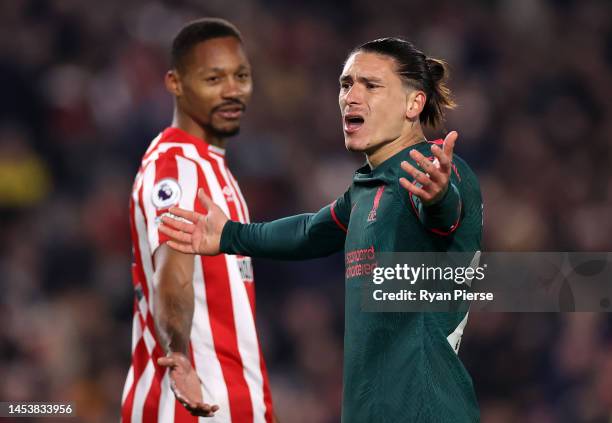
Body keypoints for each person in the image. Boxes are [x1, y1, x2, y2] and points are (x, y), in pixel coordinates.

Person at [160, 37, 483, 422]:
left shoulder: (435, 169)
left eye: (371, 85)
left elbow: (442, 215)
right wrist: (229, 235)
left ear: (413, 104)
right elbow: (309, 232)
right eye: (347, 84)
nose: (352, 96)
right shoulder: (366, 190)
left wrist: (438, 196)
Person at [121, 18, 274, 423]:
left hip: (235, 401)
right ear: (175, 83)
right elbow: (173, 275)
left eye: (241, 76)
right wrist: (179, 357)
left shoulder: (211, 167)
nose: (233, 90)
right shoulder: (177, 166)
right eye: (213, 78)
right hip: (193, 404)